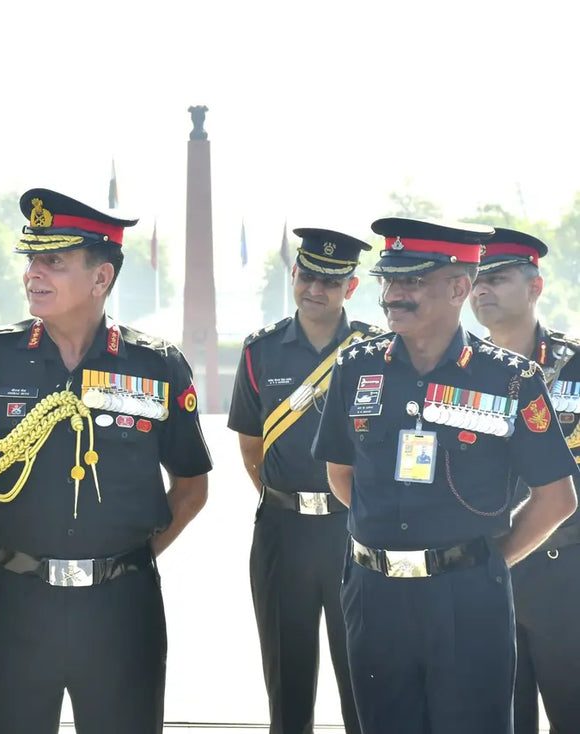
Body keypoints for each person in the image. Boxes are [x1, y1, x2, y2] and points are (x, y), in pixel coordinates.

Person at [0, 188, 211, 734]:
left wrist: (127, 558)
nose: (33, 274)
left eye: (55, 261)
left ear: (101, 279)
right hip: (14, 604)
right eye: (31, 259)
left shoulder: (156, 367)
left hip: (122, 610)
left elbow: (191, 487)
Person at [312, 217, 578, 734]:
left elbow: (556, 499)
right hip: (374, 593)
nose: (393, 295)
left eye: (412, 281)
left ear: (459, 287)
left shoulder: (509, 379)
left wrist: (483, 561)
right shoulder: (355, 367)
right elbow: (341, 473)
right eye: (389, 280)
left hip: (466, 598)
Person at [228, 228, 376, 734]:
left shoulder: (376, 351)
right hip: (282, 532)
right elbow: (251, 445)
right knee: (286, 682)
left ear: (350, 289)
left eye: (330, 282)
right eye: (307, 276)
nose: (316, 289)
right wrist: (283, 500)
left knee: (363, 676)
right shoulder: (260, 351)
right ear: (294, 275)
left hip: (354, 532)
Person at [470, 227, 580, 734]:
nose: (482, 290)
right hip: (486, 575)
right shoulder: (456, 370)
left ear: (535, 288)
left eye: (497, 278)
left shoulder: (575, 364)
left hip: (567, 576)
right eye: (475, 280)